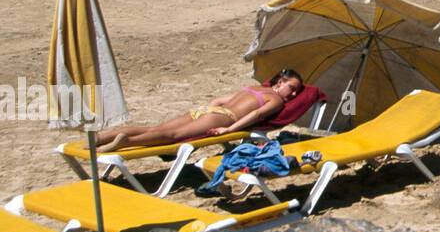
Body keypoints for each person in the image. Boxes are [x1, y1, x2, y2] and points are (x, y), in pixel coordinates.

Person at [95, 70, 304, 151]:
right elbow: (256, 115)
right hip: (223, 117)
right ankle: (126, 142)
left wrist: (211, 111)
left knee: (154, 128)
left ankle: (102, 137)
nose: (293, 95)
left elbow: (220, 99)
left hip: (207, 110)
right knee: (171, 136)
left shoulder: (255, 88)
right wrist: (230, 130)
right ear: (281, 81)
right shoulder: (275, 99)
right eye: (292, 88)